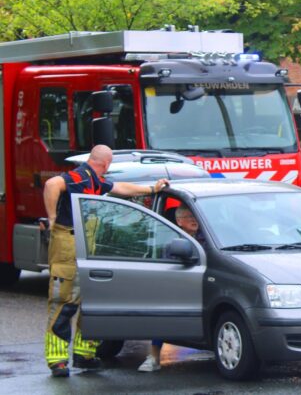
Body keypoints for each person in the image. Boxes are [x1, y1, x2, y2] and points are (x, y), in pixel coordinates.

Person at [43, 145, 169, 377]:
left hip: (84, 242)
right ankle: (57, 360)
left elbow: (120, 188)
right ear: (106, 163)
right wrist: (52, 217)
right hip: (68, 243)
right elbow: (51, 185)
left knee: (90, 301)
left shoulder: (96, 180)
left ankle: (84, 354)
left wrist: (151, 189)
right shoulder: (78, 177)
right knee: (64, 302)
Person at [138, 205, 202, 372]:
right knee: (161, 312)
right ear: (179, 221)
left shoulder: (206, 237)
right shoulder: (172, 241)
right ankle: (153, 357)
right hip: (179, 286)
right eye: (188, 217)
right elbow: (169, 269)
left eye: (195, 216)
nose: (194, 219)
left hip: (204, 284)